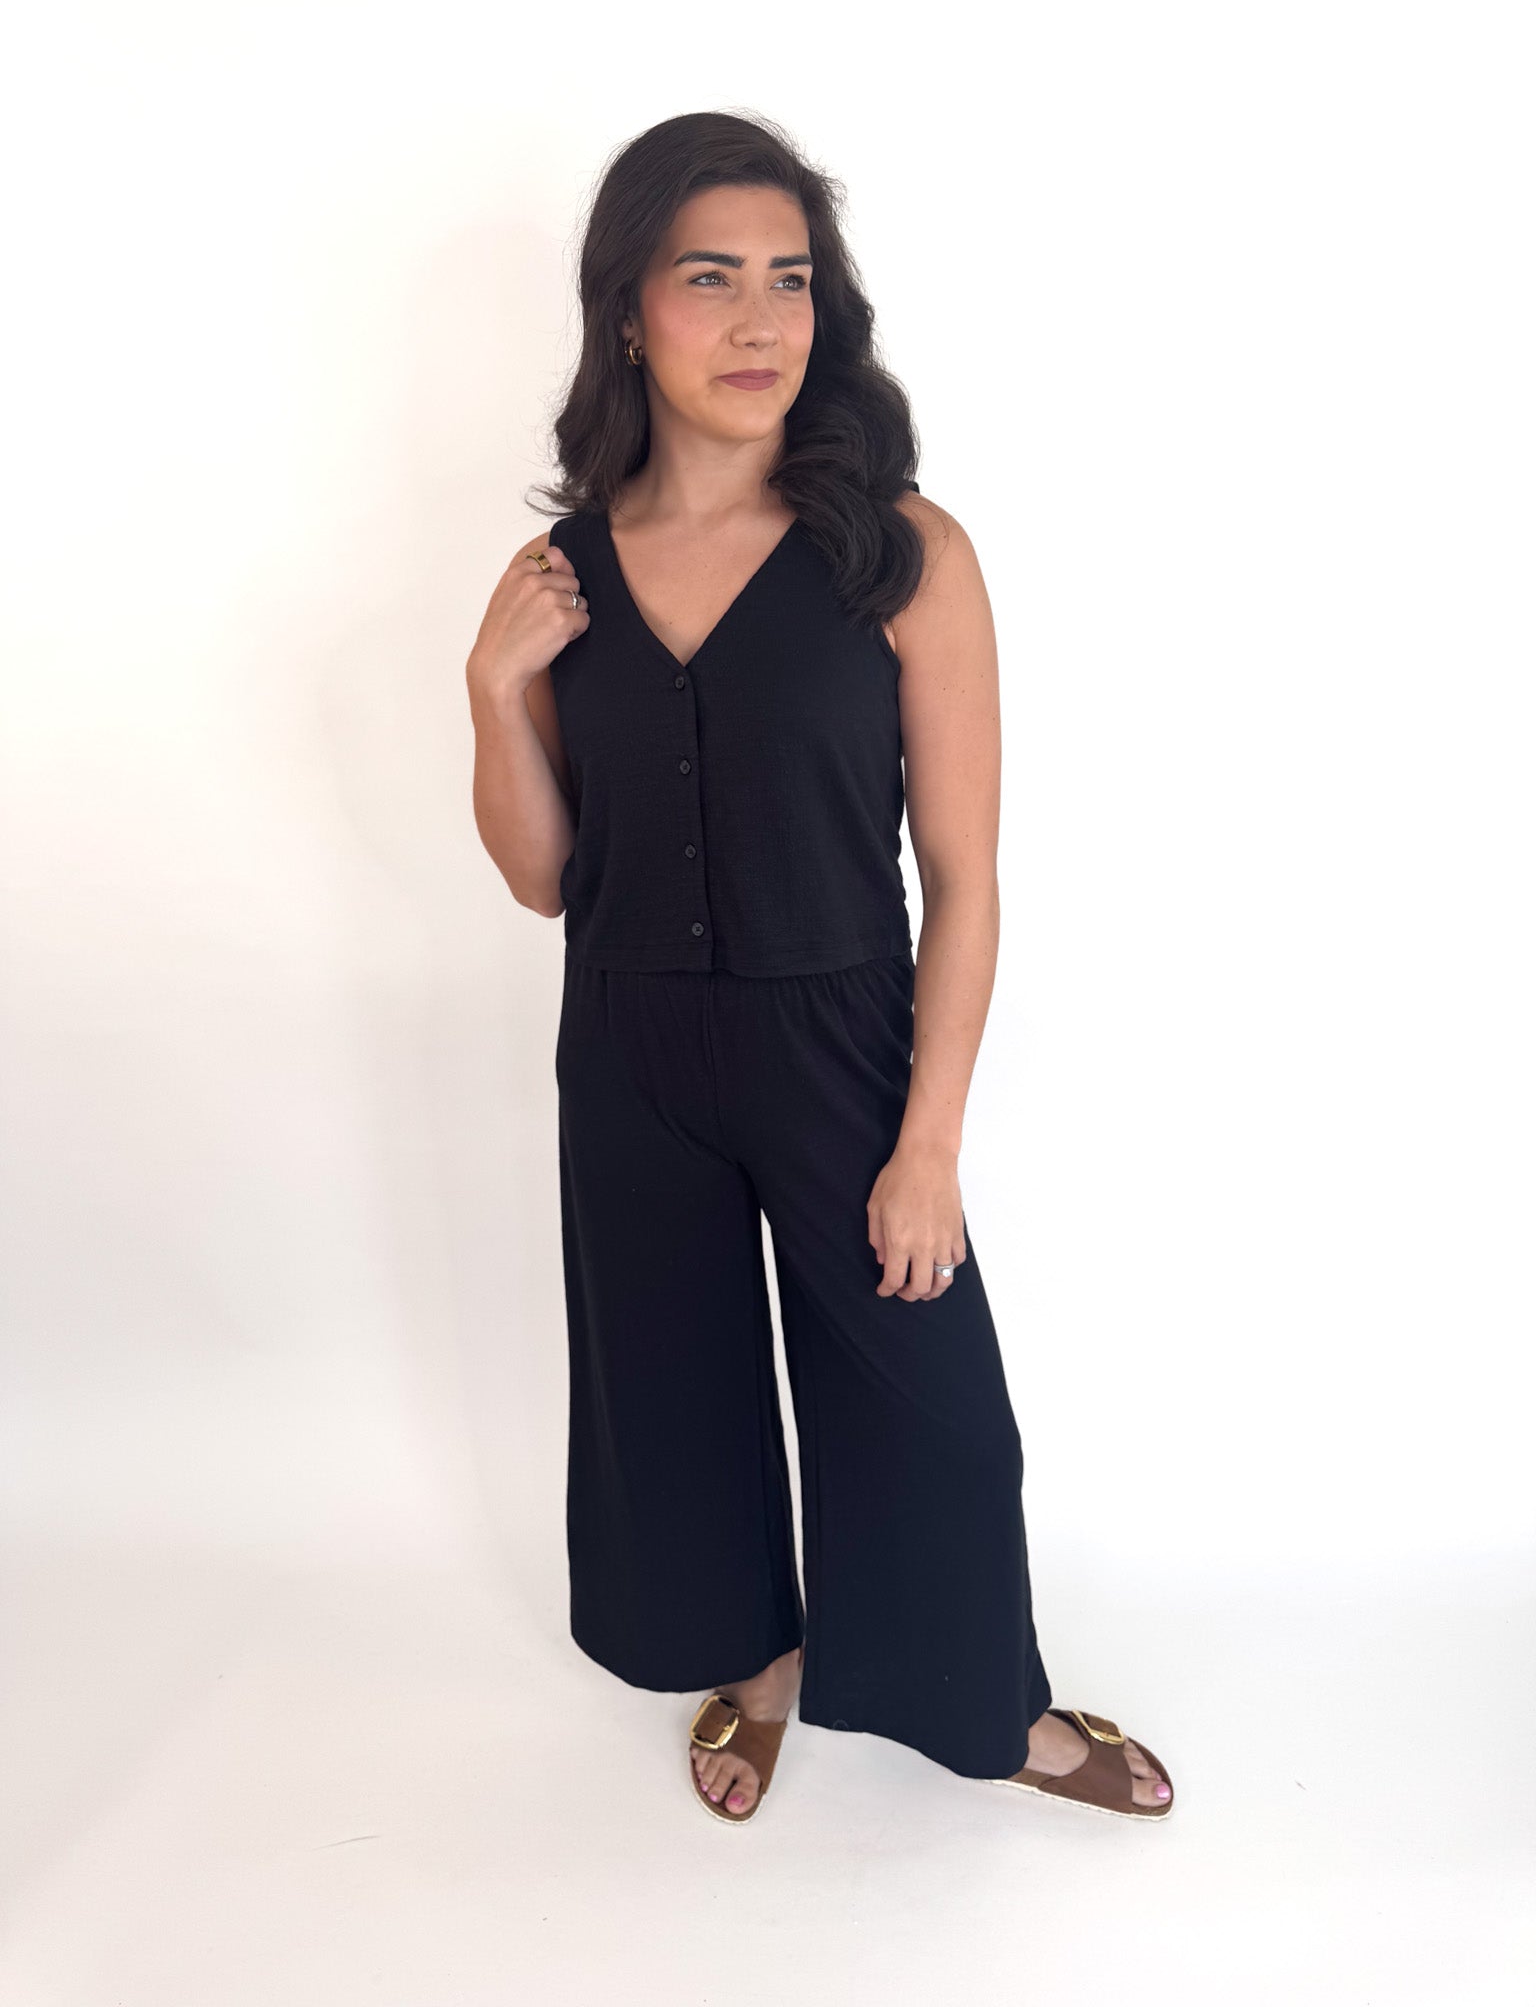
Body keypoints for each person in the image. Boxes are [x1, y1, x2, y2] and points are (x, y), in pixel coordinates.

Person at [465, 110, 1174, 1825]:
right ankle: (753, 1666)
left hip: (840, 1032)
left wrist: (927, 1143)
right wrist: (493, 688)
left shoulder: (904, 554)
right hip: (627, 1042)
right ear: (628, 312)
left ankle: (989, 1708)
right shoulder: (562, 577)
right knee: (672, 1387)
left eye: (789, 280)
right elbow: (545, 875)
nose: (758, 320)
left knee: (932, 1407)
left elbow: (967, 879)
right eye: (710, 279)